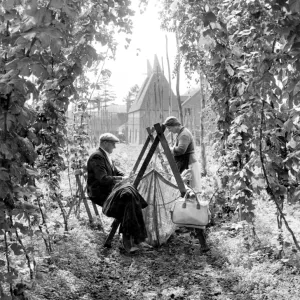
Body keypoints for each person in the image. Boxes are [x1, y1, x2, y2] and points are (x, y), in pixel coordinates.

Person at [163, 116, 210, 252]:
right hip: (185, 164)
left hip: (188, 164)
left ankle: (195, 222)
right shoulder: (182, 133)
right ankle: (188, 221)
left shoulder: (184, 134)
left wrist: (171, 149)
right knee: (188, 194)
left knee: (191, 193)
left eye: (170, 128)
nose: (170, 131)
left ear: (176, 125)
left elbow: (181, 150)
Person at [87, 133, 126, 207]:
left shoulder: (105, 155)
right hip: (99, 193)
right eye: (113, 144)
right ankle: (123, 218)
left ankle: (125, 218)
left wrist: (125, 176)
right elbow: (103, 179)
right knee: (126, 200)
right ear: (105, 143)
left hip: (107, 189)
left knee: (130, 196)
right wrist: (121, 178)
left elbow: (115, 171)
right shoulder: (97, 157)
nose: (114, 147)